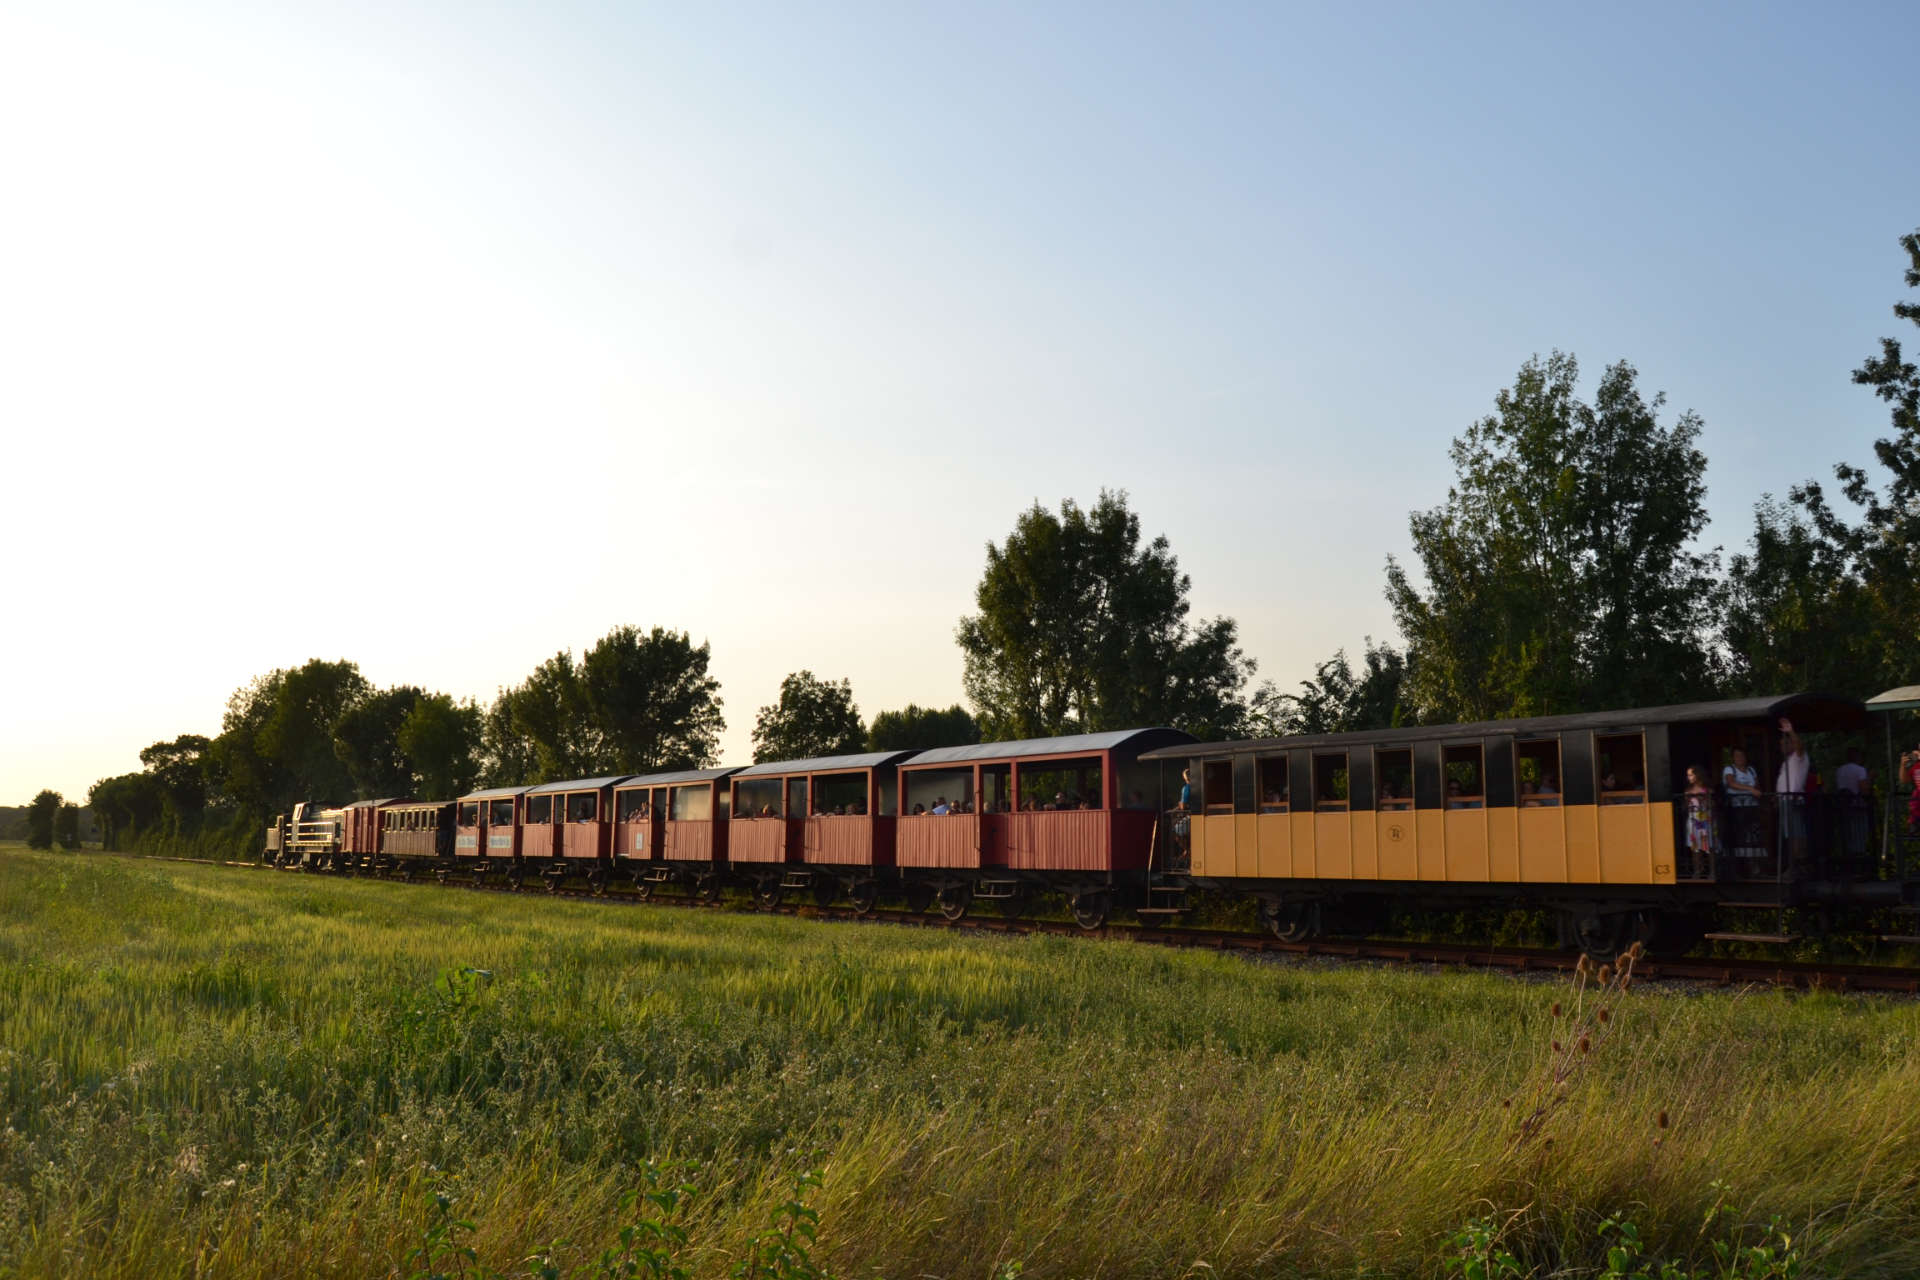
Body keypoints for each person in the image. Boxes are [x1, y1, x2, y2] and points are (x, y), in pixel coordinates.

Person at [1722, 747, 1764, 871]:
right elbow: (1731, 783)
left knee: (1753, 836)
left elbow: (1757, 785)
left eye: (1742, 755)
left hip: (1752, 806)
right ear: (1733, 758)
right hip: (1737, 808)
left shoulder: (1751, 770)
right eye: (1737, 756)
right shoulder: (1729, 769)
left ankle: (1755, 865)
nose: (1740, 758)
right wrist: (1750, 789)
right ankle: (1740, 867)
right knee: (1739, 836)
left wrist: (1756, 791)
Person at [1777, 718, 1809, 875]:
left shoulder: (1798, 757)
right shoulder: (1786, 762)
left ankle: (1797, 866)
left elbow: (1799, 746)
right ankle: (1794, 865)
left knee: (1796, 834)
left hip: (1793, 801)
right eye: (1780, 745)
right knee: (1790, 835)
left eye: (1785, 744)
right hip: (1784, 801)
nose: (1782, 747)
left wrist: (1790, 731)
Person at [1683, 765, 1717, 880]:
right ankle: (1697, 870)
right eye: (1688, 775)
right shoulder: (1688, 790)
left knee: (1709, 846)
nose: (1689, 777)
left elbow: (1712, 804)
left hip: (1706, 819)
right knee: (1695, 847)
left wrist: (1705, 800)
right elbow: (1686, 806)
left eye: (1691, 774)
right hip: (1693, 820)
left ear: (1698, 775)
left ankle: (1712, 871)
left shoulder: (1707, 790)